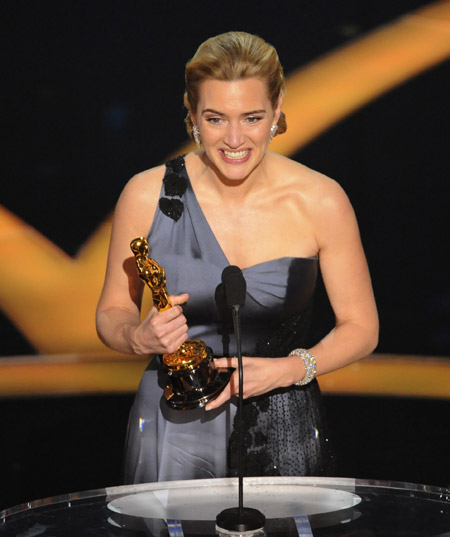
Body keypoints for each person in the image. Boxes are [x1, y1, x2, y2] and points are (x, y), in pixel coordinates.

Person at [96, 31, 378, 483]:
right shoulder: (145, 195)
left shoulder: (321, 200)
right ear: (192, 114)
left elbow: (361, 328)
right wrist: (138, 337)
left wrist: (290, 369)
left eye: (251, 118)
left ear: (277, 109)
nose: (233, 139)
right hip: (174, 424)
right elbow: (112, 313)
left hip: (283, 423)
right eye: (215, 119)